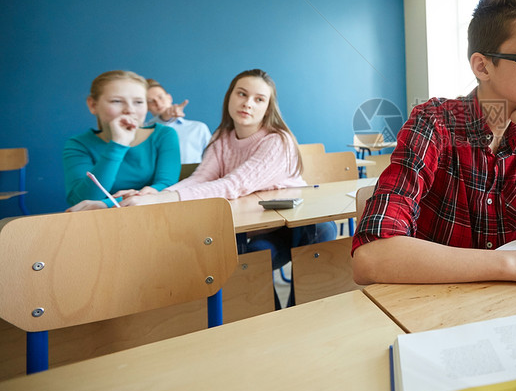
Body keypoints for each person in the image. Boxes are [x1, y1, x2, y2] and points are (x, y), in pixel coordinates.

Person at [352, 0, 516, 286]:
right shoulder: (435, 122)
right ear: (483, 67)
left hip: (504, 308)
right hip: (430, 307)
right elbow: (371, 257)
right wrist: (515, 263)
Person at [122, 69, 336, 306]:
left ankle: (302, 311)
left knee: (317, 232)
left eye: (259, 99)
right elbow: (201, 178)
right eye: (241, 94)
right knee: (247, 256)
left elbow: (233, 185)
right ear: (230, 97)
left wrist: (164, 199)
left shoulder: (277, 139)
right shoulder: (222, 137)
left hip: (294, 228)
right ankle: (270, 317)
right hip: (252, 228)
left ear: (268, 107)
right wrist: (158, 194)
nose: (247, 104)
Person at [63, 70, 180, 211]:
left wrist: (108, 203)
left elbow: (166, 187)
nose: (130, 110)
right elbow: (83, 203)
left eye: (138, 102)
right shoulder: (78, 145)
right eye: (117, 101)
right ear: (93, 105)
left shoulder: (164, 135)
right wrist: (118, 144)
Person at [145, 79, 212, 164]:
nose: (158, 103)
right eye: (150, 101)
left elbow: (212, 162)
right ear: (146, 106)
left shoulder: (198, 128)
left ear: (169, 98)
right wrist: (164, 119)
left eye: (160, 97)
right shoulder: (143, 131)